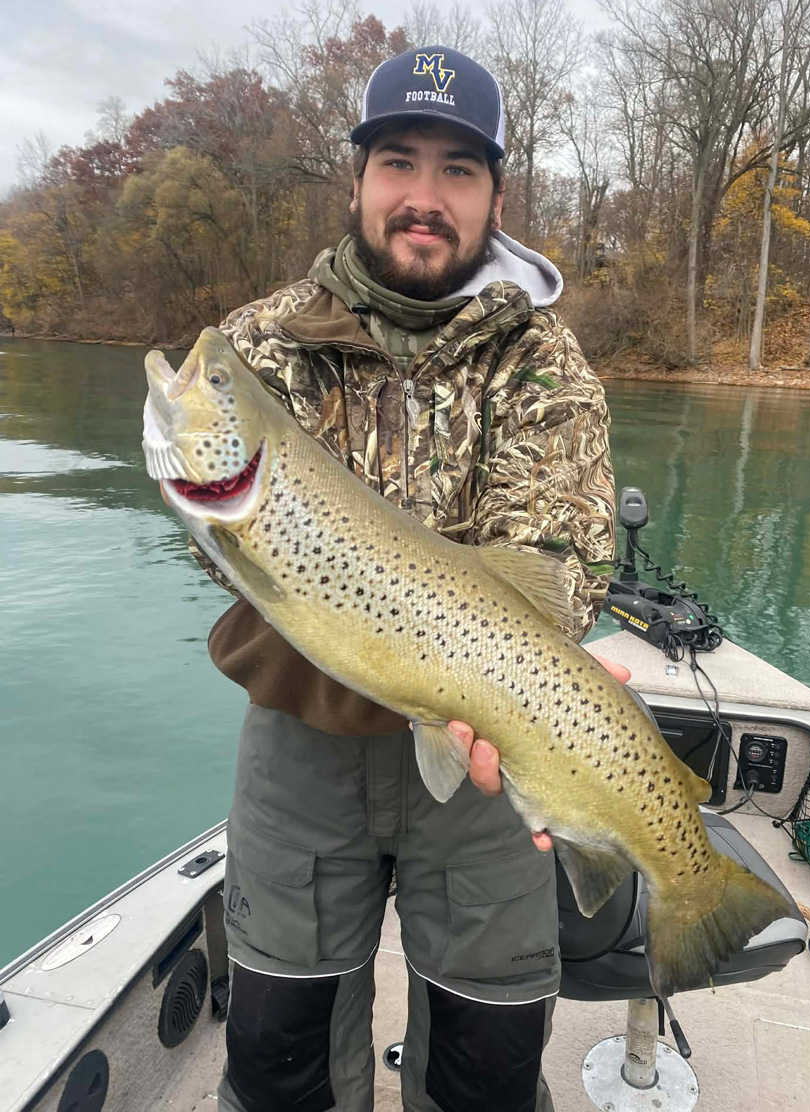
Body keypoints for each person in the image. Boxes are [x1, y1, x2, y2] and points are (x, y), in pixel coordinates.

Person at [192, 45, 623, 1112]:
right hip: (301, 743)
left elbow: (557, 560)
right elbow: (218, 519)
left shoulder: (545, 364)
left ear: (495, 194)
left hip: (485, 750)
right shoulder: (260, 344)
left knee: (489, 1062)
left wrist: (520, 710)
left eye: (457, 170)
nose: (423, 198)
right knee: (277, 1048)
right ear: (355, 178)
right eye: (398, 161)